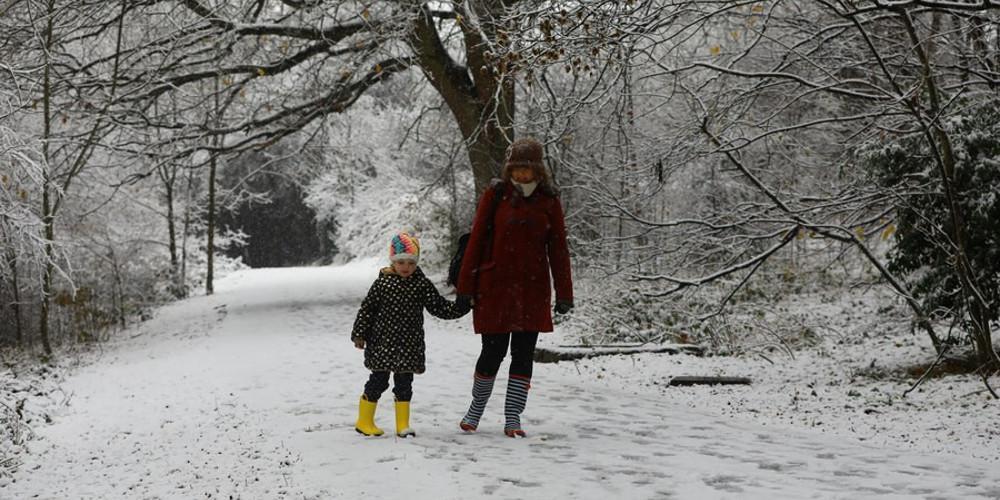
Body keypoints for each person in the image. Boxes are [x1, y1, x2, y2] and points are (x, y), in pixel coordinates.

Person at [455, 137, 574, 438]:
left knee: (523, 356)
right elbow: (477, 241)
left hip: (532, 293)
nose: (521, 174)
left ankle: (513, 417)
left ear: (538, 170)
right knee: (491, 354)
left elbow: (558, 250)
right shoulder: (495, 196)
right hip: (494, 289)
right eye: (516, 169)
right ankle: (476, 409)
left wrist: (565, 294)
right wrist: (465, 287)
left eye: (527, 169)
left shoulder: (549, 200)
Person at [351, 232, 470, 438]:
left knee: (404, 384)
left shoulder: (421, 284)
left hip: (409, 345)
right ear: (393, 262)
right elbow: (367, 310)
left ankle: (402, 425)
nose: (406, 267)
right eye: (401, 262)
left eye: (411, 263)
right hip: (382, 344)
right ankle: (364, 421)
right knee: (379, 381)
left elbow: (438, 307)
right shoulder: (382, 284)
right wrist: (359, 334)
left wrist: (462, 306)